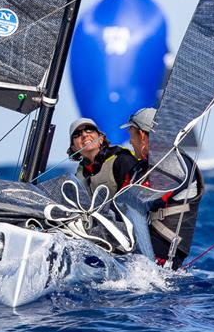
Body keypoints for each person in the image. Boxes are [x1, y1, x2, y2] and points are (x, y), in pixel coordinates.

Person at [120, 107, 205, 270]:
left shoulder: (172, 163)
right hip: (141, 242)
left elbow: (143, 199)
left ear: (142, 135)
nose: (130, 141)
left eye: (131, 134)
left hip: (163, 249)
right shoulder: (141, 167)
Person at [68, 117, 138, 195]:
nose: (84, 135)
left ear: (101, 138)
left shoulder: (122, 160)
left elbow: (136, 197)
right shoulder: (78, 176)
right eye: (77, 134)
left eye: (89, 129)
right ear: (73, 148)